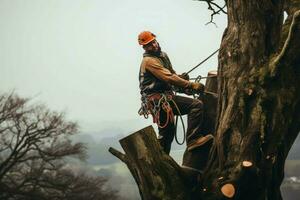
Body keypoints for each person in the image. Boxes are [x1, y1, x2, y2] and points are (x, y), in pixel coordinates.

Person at [138, 31, 213, 154]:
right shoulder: (149, 61)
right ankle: (193, 140)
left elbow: (172, 76)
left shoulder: (163, 56)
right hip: (158, 101)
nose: (154, 46)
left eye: (154, 42)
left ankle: (162, 160)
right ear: (144, 47)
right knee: (196, 105)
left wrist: (183, 82)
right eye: (149, 45)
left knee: (167, 134)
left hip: (165, 98)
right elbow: (168, 78)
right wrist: (191, 84)